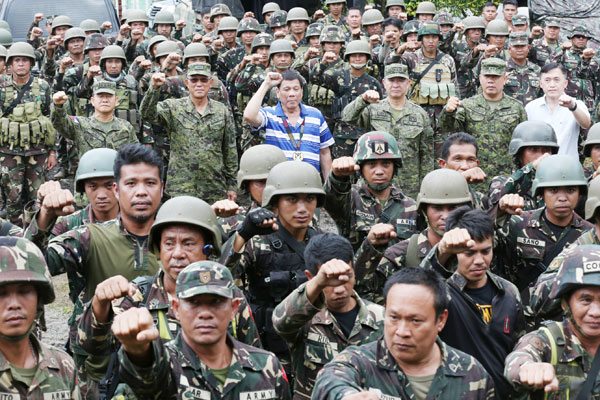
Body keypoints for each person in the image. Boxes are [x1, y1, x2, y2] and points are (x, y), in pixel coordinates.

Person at [77, 196, 261, 398]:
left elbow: (252, 362)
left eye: (189, 243)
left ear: (208, 249)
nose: (177, 254)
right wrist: (99, 305)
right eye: (169, 244)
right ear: (158, 249)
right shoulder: (138, 295)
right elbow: (90, 346)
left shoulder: (229, 297)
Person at [25, 144, 163, 394]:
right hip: (102, 362)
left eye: (150, 183)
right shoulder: (88, 237)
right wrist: (44, 216)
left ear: (162, 188)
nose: (141, 192)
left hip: (164, 360)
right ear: (119, 189)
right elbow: (30, 263)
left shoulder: (177, 236)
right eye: (131, 184)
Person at [114, 261, 291, 399]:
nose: (205, 313)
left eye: (216, 302)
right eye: (194, 302)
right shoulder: (167, 366)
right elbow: (147, 380)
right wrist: (137, 350)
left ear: (234, 308)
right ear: (175, 308)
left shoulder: (266, 366)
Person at [311, 267, 495, 399]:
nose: (402, 331)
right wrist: (348, 395)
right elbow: (329, 380)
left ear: (441, 320)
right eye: (394, 317)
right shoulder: (358, 362)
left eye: (415, 321)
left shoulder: (472, 373)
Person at [220, 160, 325, 371]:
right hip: (265, 349)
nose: (302, 209)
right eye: (292, 200)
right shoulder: (257, 241)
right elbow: (223, 278)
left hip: (312, 348)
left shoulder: (321, 242)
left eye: (309, 199)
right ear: (274, 203)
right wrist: (243, 234)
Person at [422, 207, 525, 398]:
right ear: (454, 251)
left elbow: (519, 346)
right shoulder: (443, 292)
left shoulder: (509, 292)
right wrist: (441, 251)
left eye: (486, 251)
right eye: (469, 253)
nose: (479, 260)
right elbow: (420, 286)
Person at [272, 233, 384, 399]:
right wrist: (318, 282)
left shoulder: (381, 318)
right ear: (311, 277)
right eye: (330, 281)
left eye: (346, 277)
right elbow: (281, 322)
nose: (339, 288)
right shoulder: (303, 317)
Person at [355, 168, 472, 304]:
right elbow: (361, 292)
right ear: (424, 210)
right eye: (437, 208)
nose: (445, 216)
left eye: (453, 208)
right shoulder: (401, 254)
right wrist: (370, 248)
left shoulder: (477, 250)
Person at [505, 245, 600, 398]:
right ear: (565, 303)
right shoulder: (547, 341)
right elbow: (518, 360)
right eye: (586, 300)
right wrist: (529, 369)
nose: (596, 312)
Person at [495, 154, 592, 300]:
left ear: (580, 193)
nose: (562, 198)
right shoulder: (517, 224)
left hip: (566, 319)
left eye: (571, 190)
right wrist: (499, 212)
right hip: (522, 316)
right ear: (541, 193)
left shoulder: (589, 234)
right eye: (553, 190)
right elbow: (486, 248)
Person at [140, 62, 238, 203]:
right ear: (187, 83)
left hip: (214, 186)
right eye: (194, 80)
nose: (199, 84)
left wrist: (232, 185)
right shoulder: (173, 107)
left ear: (210, 83)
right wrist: (154, 88)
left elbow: (230, 150)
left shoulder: (221, 110)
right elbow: (146, 114)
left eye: (203, 80)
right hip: (181, 187)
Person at [0, 237, 79, 398]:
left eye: (24, 291)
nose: (14, 304)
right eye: (1, 294)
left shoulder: (63, 366)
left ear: (39, 300)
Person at [341, 63, 434, 198]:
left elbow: (426, 156)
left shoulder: (420, 114)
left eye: (401, 80)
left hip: (409, 187)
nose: (396, 85)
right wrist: (362, 100)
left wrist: (426, 188)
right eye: (391, 80)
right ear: (384, 83)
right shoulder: (372, 109)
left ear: (408, 83)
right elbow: (347, 118)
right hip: (375, 183)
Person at [324, 131, 418, 251]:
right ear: (361, 168)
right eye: (372, 164)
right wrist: (337, 177)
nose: (379, 171)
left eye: (386, 164)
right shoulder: (351, 198)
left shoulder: (411, 207)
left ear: (395, 167)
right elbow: (331, 199)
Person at [440, 57, 526, 181]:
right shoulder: (467, 105)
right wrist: (448, 112)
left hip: (505, 176)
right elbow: (448, 130)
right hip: (473, 174)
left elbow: (522, 146)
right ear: (480, 78)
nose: (491, 81)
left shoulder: (517, 108)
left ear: (505, 79)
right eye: (487, 77)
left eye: (495, 77)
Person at [0, 42, 56, 225]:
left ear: (31, 63)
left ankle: (36, 236)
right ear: (10, 64)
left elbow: (50, 120)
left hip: (37, 153)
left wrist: (52, 151)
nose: (21, 64)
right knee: (12, 199)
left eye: (25, 60)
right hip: (7, 154)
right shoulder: (1, 87)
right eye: (17, 60)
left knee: (38, 199)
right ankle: (14, 238)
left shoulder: (43, 87)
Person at [244, 69, 334, 179]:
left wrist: (329, 187)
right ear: (278, 93)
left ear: (301, 91)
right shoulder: (269, 114)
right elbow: (249, 116)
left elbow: (325, 153)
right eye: (286, 89)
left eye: (296, 89)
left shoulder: (315, 115)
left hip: (311, 182)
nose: (292, 94)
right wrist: (266, 84)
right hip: (279, 182)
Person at [51, 80, 138, 158]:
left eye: (109, 96)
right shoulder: (80, 124)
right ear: (92, 101)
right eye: (100, 96)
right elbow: (60, 123)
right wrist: (58, 106)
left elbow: (135, 154)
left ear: (116, 101)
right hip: (89, 174)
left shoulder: (126, 127)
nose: (105, 100)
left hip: (117, 174)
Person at [488, 120, 559, 211]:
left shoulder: (557, 183)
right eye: (534, 149)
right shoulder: (501, 181)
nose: (541, 155)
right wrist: (531, 168)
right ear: (519, 154)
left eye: (546, 150)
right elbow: (496, 199)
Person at [525, 63, 591, 159]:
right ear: (541, 84)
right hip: (539, 166)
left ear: (565, 83)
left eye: (556, 80)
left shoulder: (576, 104)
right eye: (547, 80)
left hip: (567, 165)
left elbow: (586, 124)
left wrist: (573, 107)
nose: (552, 85)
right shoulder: (531, 107)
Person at [50, 148, 120, 238]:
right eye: (93, 186)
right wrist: (44, 216)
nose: (101, 195)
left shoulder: (136, 221)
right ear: (84, 188)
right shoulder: (69, 225)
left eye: (109, 185)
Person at [437, 132, 490, 210]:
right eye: (457, 159)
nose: (465, 166)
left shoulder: (481, 200)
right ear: (443, 164)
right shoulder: (431, 196)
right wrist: (459, 180)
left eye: (471, 160)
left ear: (477, 163)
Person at [503, 32, 541, 106]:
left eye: (522, 46)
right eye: (516, 46)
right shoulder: (502, 69)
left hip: (532, 113)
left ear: (528, 48)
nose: (519, 50)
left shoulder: (537, 70)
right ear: (509, 49)